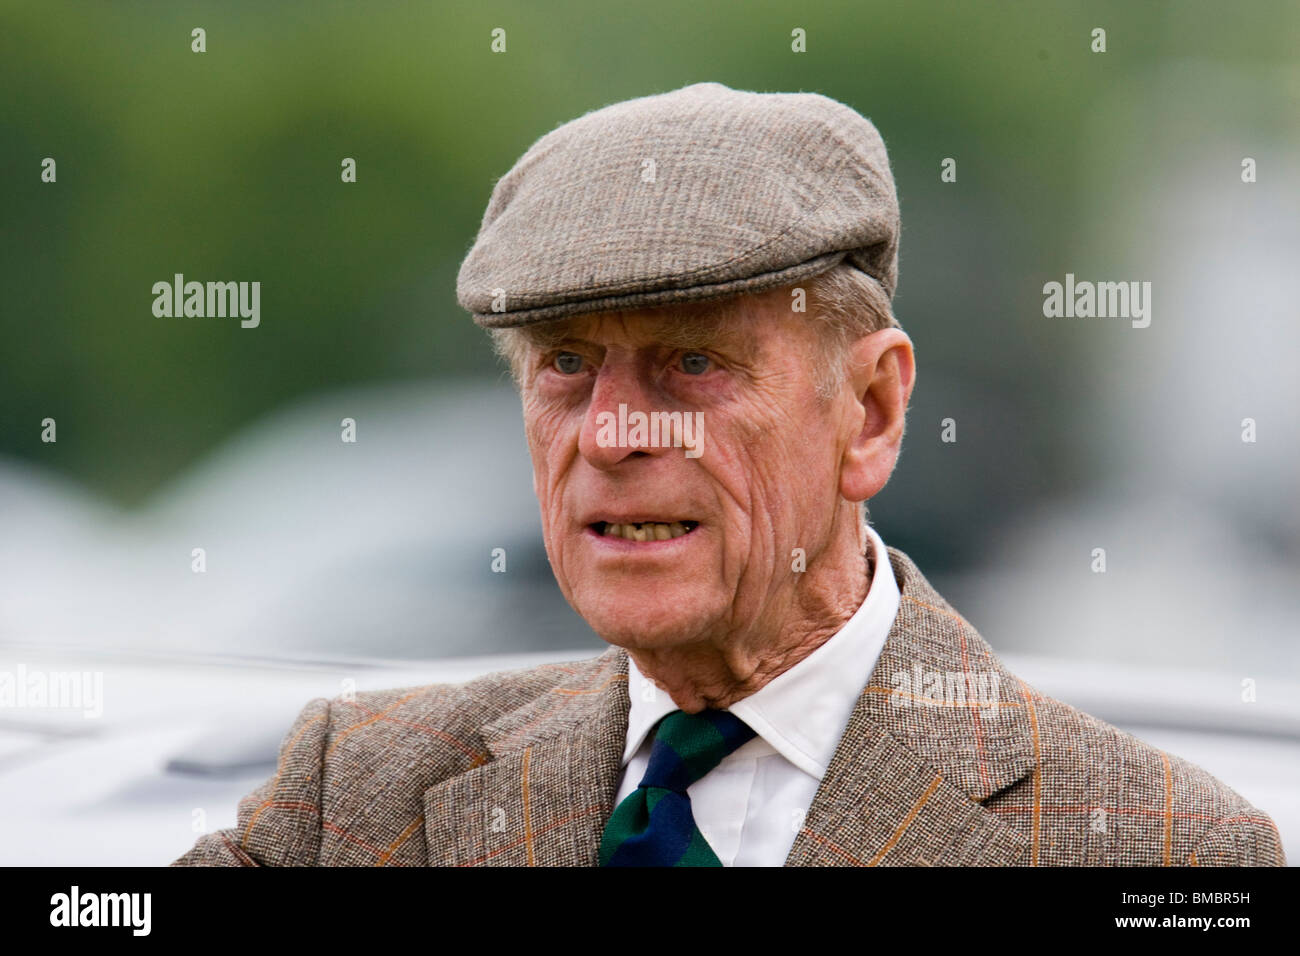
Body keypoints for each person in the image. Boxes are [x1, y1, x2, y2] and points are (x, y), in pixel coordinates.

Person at [173, 82, 1283, 867]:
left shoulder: (1163, 852)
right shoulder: (358, 793)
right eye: (565, 364)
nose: (606, 434)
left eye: (690, 362)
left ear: (872, 411)